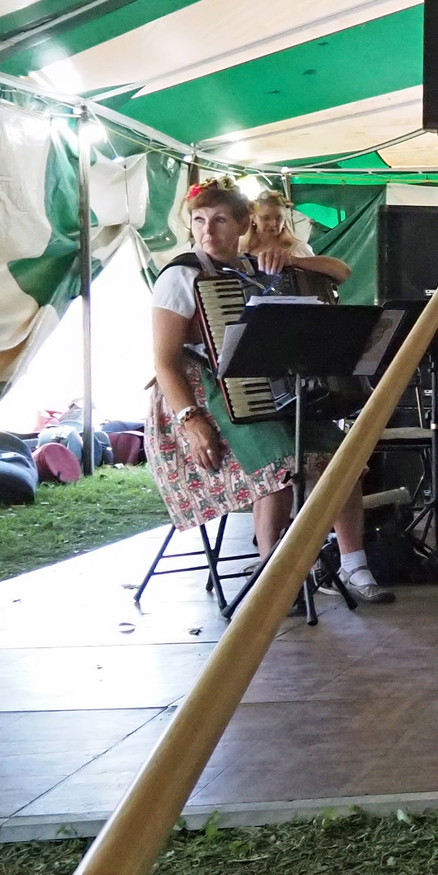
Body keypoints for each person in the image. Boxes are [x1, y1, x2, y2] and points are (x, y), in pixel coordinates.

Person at [146, 182, 391, 603]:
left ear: (245, 224)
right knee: (279, 467)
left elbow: (341, 272)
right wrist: (192, 420)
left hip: (267, 388)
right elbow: (165, 362)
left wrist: (293, 259)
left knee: (340, 460)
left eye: (221, 220)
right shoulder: (181, 275)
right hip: (199, 396)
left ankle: (354, 567)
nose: (208, 231)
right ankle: (277, 578)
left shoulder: (256, 264)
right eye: (200, 221)